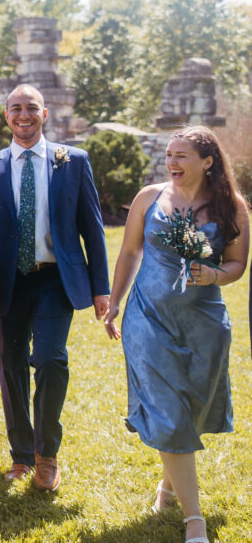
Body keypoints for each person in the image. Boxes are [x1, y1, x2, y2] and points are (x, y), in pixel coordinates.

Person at [100, 126, 248, 543]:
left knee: (191, 413)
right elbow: (129, 251)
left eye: (181, 155)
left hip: (204, 325)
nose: (172, 163)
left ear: (207, 161)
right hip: (148, 320)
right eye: (169, 155)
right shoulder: (150, 198)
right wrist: (114, 302)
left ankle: (169, 483)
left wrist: (213, 274)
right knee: (168, 413)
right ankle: (194, 521)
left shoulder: (231, 206)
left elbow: (238, 264)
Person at [0, 83, 110, 491]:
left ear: (44, 114)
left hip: (55, 280)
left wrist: (100, 287)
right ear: (6, 115)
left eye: (32, 107)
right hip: (5, 283)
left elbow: (93, 229)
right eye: (16, 108)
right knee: (10, 366)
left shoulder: (74, 161)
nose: (24, 115)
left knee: (50, 360)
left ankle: (47, 454)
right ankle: (20, 454)